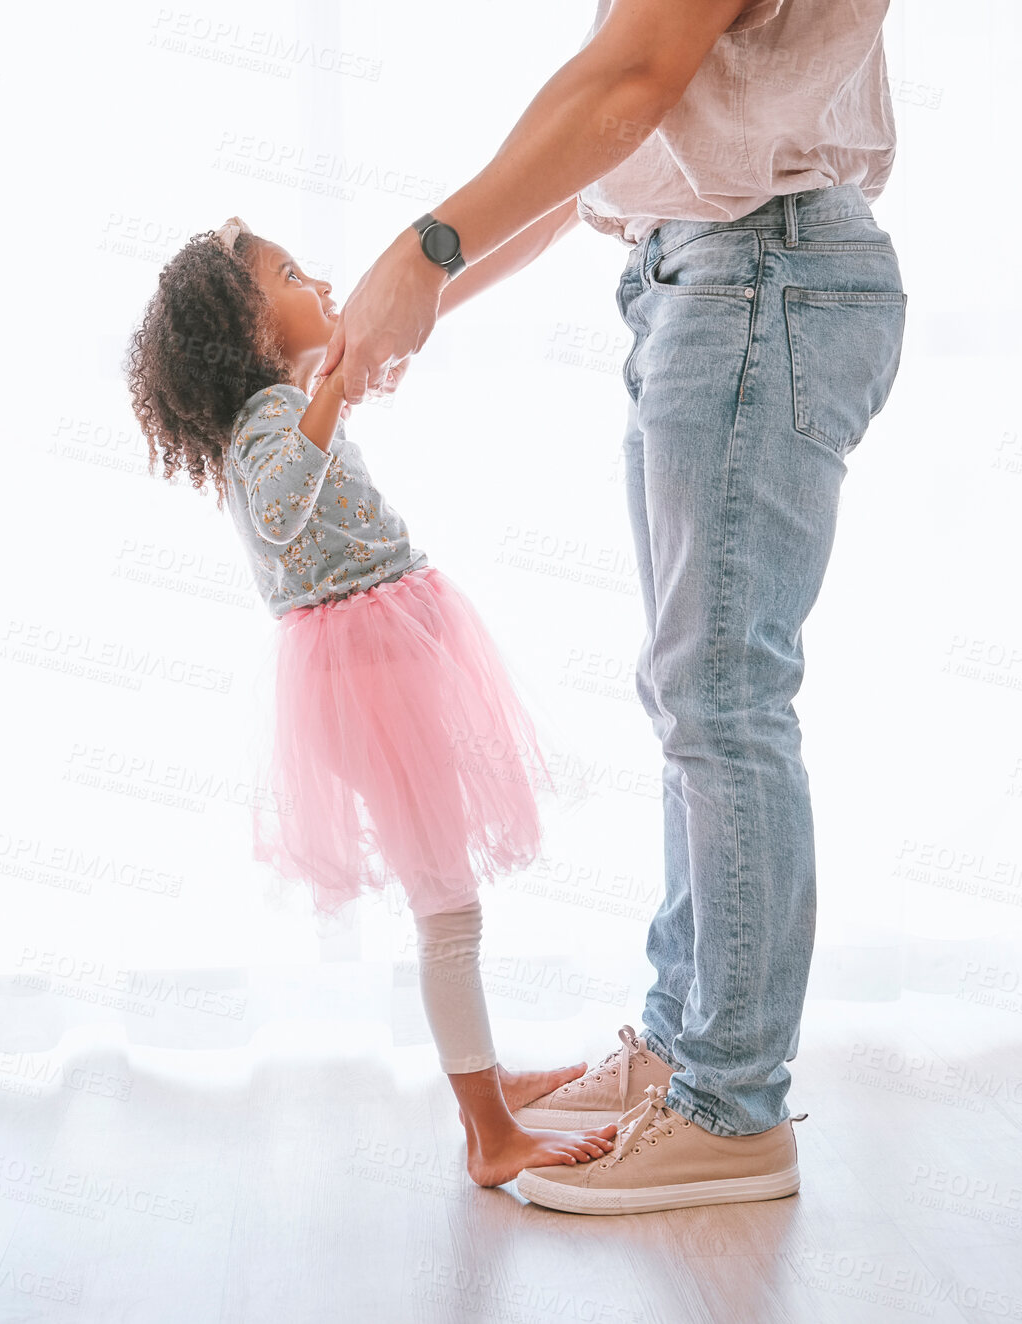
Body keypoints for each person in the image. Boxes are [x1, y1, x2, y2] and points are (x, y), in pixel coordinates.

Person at [318, 0, 906, 1215]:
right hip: (717, 268)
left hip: (761, 271)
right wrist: (403, 312)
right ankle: (688, 1044)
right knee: (695, 697)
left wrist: (422, 250)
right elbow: (616, 139)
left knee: (725, 699)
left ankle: (732, 1109)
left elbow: (628, 81)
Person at [123, 217, 620, 1188]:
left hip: (384, 653)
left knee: (449, 900)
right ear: (245, 327)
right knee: (447, 905)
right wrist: (332, 394)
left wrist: (337, 383)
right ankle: (488, 1129)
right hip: (367, 671)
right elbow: (278, 507)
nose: (317, 277)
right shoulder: (265, 423)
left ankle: (493, 1089)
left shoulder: (280, 406)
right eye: (289, 272)